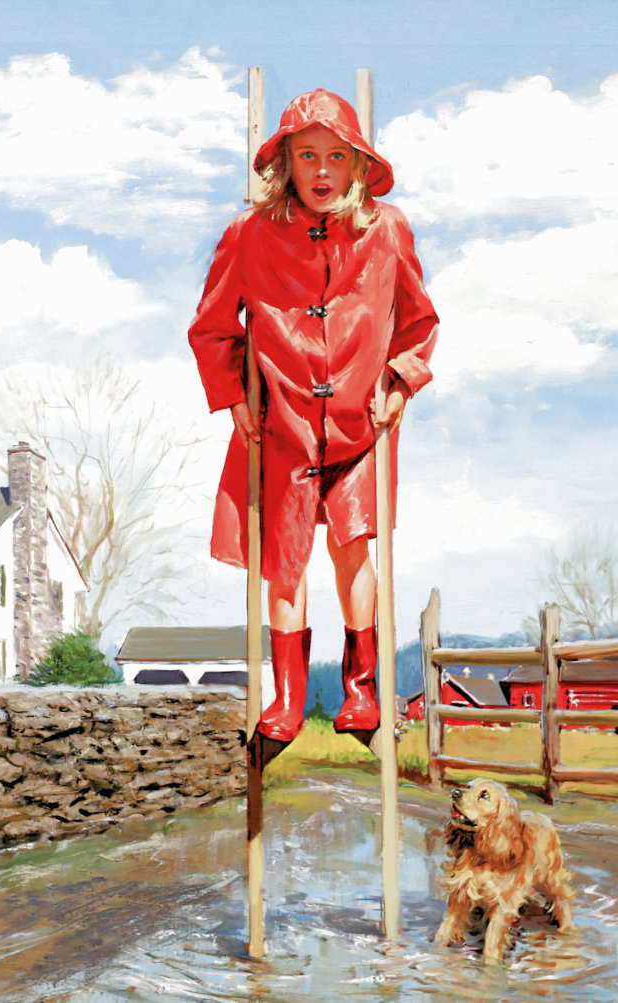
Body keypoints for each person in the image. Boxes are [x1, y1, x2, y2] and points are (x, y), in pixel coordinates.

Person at [188, 88, 438, 742]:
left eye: (335, 155)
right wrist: (237, 397)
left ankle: (360, 692)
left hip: (359, 424)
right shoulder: (248, 235)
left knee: (353, 545)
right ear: (286, 163)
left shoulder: (387, 230)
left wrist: (399, 384)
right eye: (307, 155)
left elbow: (418, 323)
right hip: (283, 425)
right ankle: (289, 699)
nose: (322, 171)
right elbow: (213, 327)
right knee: (286, 558)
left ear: (358, 163)